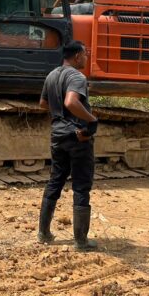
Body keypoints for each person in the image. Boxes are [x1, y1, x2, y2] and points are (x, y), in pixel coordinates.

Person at [37, 40, 99, 251]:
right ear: (77, 56)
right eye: (85, 54)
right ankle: (81, 241)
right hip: (77, 137)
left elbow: (43, 104)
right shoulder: (76, 76)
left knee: (55, 180)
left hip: (58, 136)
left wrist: (59, 120)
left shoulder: (52, 75)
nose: (86, 58)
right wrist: (91, 120)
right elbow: (71, 102)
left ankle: (44, 233)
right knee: (81, 185)